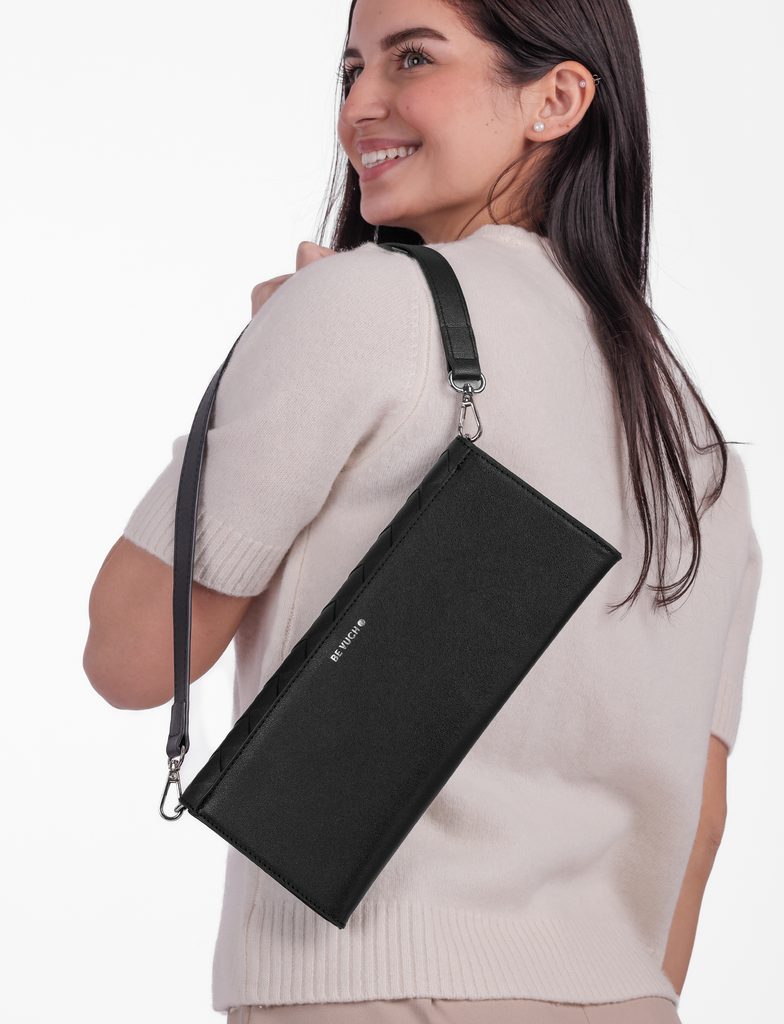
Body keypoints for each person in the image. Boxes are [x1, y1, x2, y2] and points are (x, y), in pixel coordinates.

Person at [83, 0, 763, 1021]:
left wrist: (263, 358)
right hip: (629, 995)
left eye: (412, 58)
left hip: (376, 989)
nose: (360, 103)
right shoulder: (692, 438)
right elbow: (700, 823)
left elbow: (131, 656)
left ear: (556, 99)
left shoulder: (359, 305)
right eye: (350, 68)